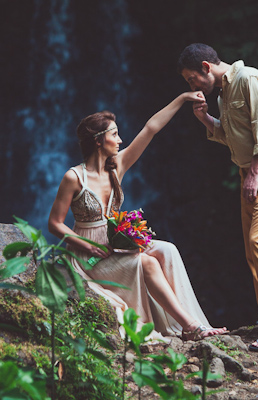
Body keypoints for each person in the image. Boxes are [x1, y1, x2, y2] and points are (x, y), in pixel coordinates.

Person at [48, 92, 227, 341]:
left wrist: (183, 98)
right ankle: (191, 326)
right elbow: (55, 224)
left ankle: (183, 319)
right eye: (114, 134)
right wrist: (86, 244)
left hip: (115, 244)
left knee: (168, 250)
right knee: (149, 262)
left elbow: (150, 129)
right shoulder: (74, 177)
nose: (120, 140)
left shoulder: (117, 166)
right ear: (98, 141)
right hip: (87, 255)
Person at [177, 43, 258, 351]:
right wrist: (206, 120)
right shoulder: (223, 94)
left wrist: (255, 173)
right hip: (250, 172)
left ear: (206, 67)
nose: (192, 86)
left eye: (192, 79)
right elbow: (234, 138)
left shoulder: (249, 79)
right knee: (251, 247)